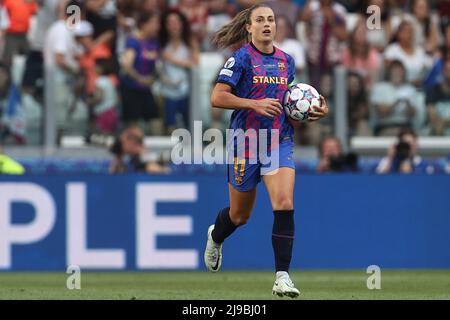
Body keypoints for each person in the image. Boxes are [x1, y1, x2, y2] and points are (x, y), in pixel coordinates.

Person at [203, 4, 328, 298]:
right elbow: (217, 97)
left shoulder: (287, 60)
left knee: (284, 202)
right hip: (246, 143)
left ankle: (282, 277)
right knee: (239, 216)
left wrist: (313, 108)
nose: (267, 24)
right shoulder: (240, 59)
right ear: (249, 27)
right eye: (260, 20)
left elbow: (291, 96)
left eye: (270, 19)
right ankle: (216, 235)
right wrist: (253, 104)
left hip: (278, 140)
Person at [158, 10, 199, 134]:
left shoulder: (189, 41)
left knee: (187, 122)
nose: (173, 26)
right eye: (170, 23)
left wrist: (171, 59)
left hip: (185, 89)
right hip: (166, 89)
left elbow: (195, 64)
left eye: (176, 22)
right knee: (169, 123)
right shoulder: (162, 42)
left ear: (182, 24)